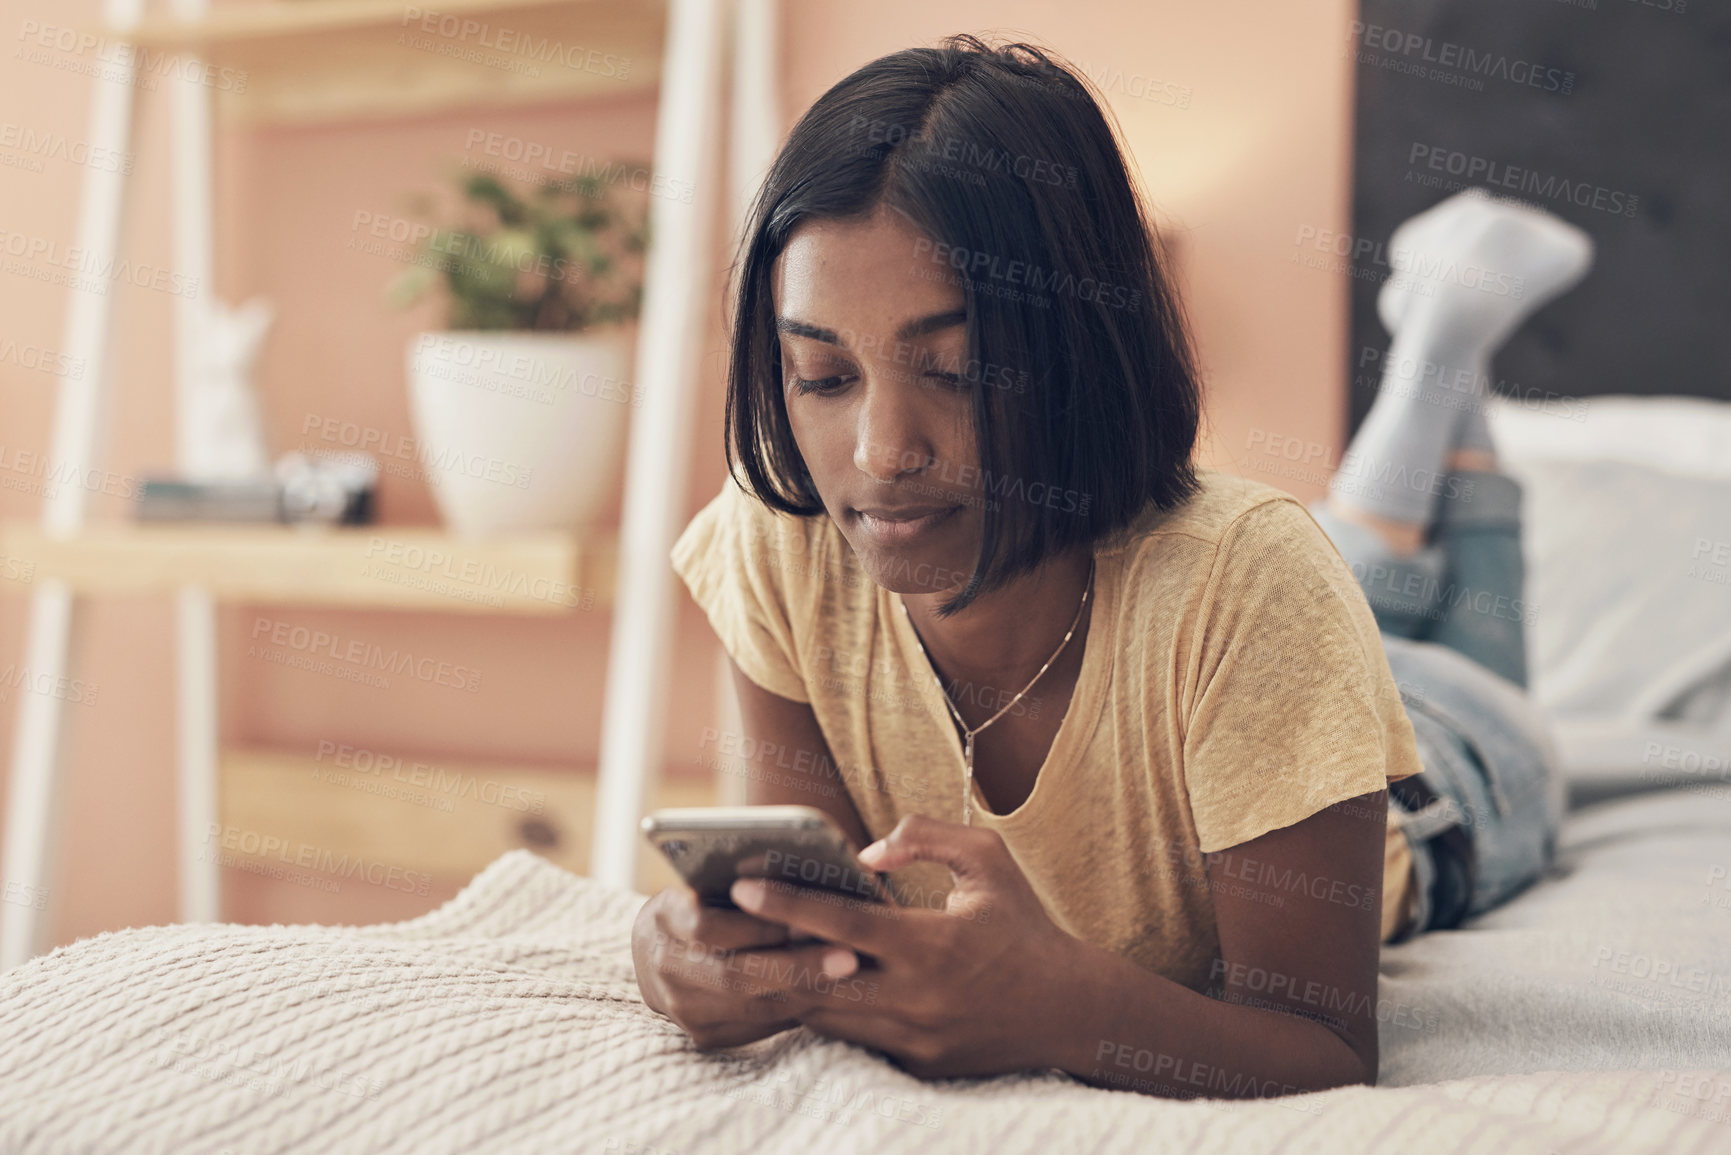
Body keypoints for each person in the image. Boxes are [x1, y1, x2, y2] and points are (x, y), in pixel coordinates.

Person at [631, 35, 1580, 1102]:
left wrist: (1064, 1012)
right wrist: (680, 952)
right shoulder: (782, 542)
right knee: (1341, 574)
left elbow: (1326, 1049)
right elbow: (815, 923)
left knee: (1453, 656)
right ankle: (1441, 372)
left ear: (1079, 353)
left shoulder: (1254, 580)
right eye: (821, 374)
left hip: (1453, 776)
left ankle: (1442, 364)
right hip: (1286, 652)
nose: (882, 451)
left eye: (954, 371)